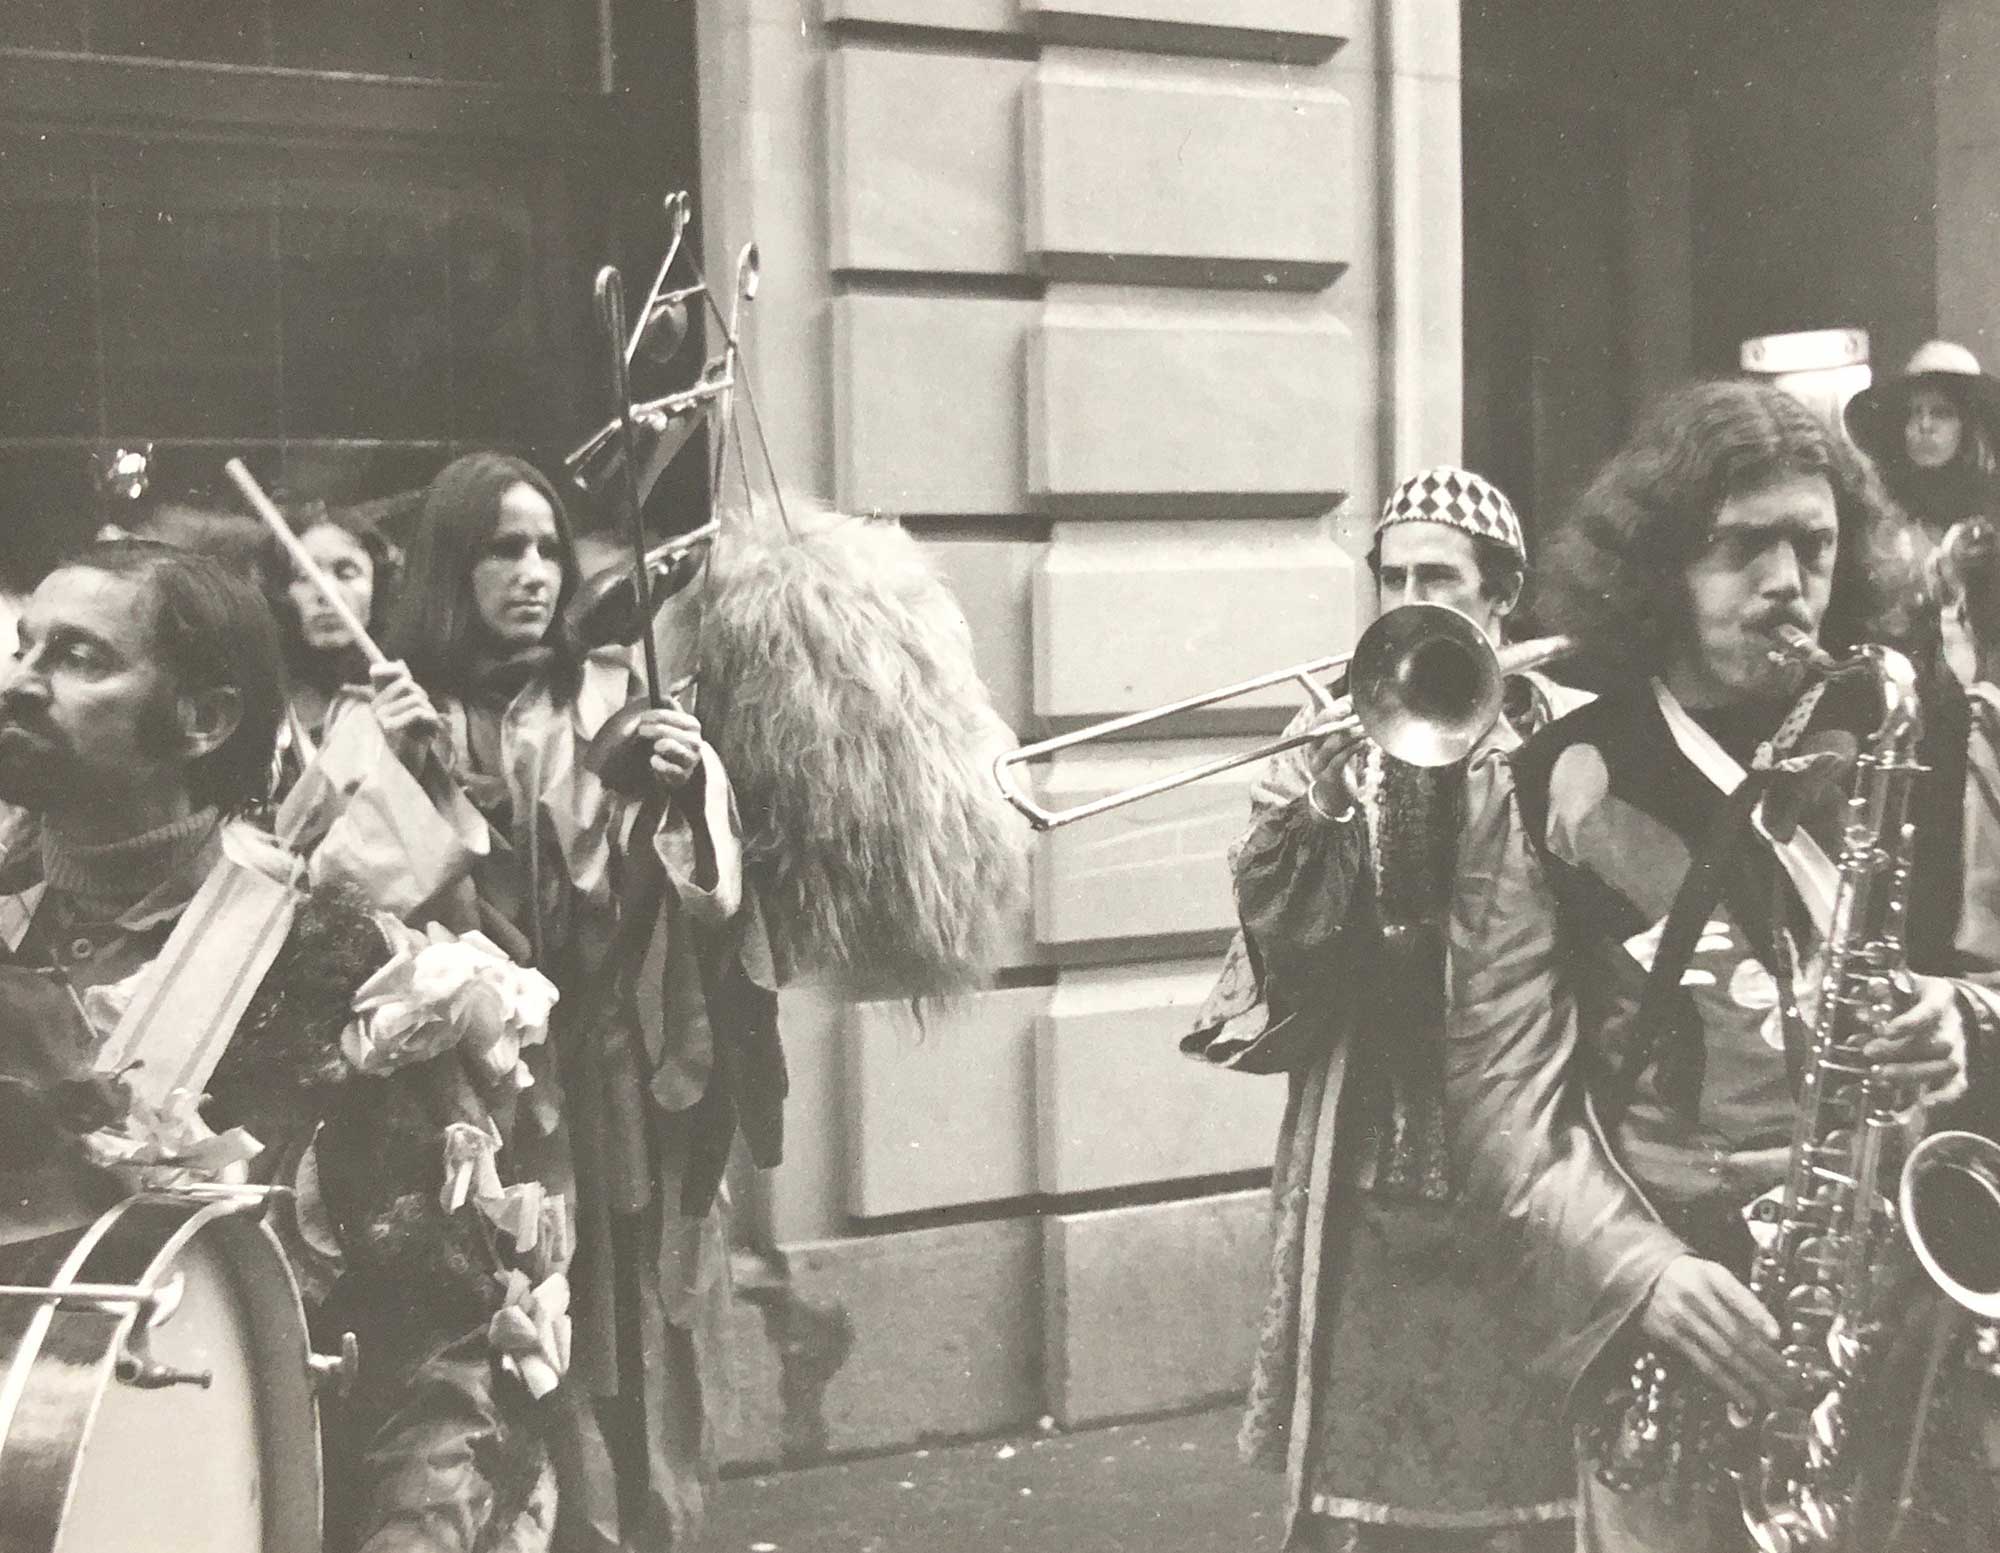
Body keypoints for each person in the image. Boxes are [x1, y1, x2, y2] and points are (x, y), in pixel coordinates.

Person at [1448, 380, 2000, 1552]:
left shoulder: (1916, 734)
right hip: (1675, 1315)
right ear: (1658, 566)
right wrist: (1640, 1272)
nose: (1785, 582)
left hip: (1891, 1317)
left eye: (1812, 543)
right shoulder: (1553, 780)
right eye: (1740, 547)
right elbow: (1500, 1102)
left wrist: (1958, 1010)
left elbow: (1987, 970)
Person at [0, 539, 570, 1551]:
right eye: (24, 647)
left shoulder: (332, 965)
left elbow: (443, 1346)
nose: (21, 683)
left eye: (81, 658)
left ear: (206, 719)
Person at [284, 451, 783, 1552]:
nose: (533, 573)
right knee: (488, 1334)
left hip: (610, 1080)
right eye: (502, 549)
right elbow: (340, 909)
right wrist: (406, 770)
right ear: (449, 565)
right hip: (464, 1099)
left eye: (548, 548)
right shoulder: (381, 712)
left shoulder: (607, 694)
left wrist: (676, 783)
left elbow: (685, 898)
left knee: (628, 1318)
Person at [1185, 466, 1588, 1552]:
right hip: (1375, 1123)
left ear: (1500, 593)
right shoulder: (1335, 723)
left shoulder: (1559, 726)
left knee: (1529, 1465)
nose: (1409, 598)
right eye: (1393, 576)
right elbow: (1276, 941)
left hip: (1529, 1122)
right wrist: (1319, 799)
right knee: (1376, 1466)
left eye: (1437, 577)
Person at [1844, 340, 2000, 683]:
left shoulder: (1992, 514)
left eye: (1941, 413)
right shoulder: (1874, 513)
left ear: (1967, 425)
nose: (1924, 425)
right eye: (1914, 413)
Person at [267, 501, 402, 786]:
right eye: (303, 577)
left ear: (379, 586)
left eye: (346, 573)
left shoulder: (405, 701)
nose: (326, 592)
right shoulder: (266, 710)